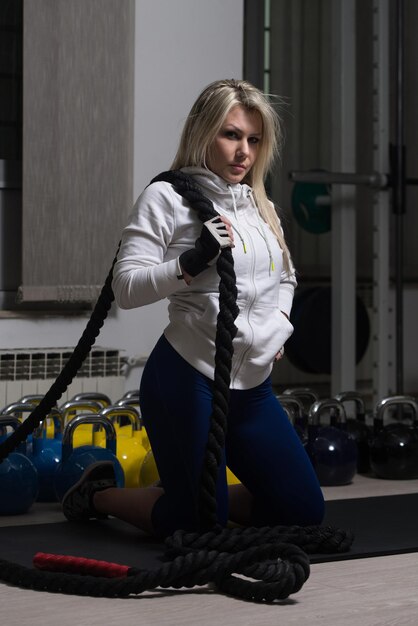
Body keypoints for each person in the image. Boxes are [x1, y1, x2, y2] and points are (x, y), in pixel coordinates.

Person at [62, 79, 325, 537]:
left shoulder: (259, 206)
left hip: (252, 388)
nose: (244, 151)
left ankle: (189, 495)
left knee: (302, 510)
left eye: (254, 140)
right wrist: (188, 264)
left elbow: (286, 276)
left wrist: (279, 325)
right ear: (203, 133)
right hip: (187, 378)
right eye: (231, 135)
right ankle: (96, 495)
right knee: (200, 522)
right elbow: (125, 288)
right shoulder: (166, 198)